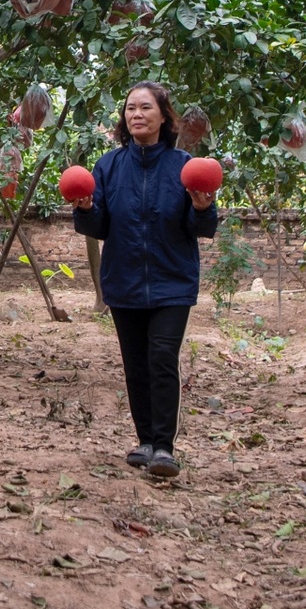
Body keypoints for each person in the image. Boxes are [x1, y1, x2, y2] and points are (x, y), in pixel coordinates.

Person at [71, 81, 217, 477]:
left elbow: (201, 228)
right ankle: (145, 441)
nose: (136, 114)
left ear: (163, 116)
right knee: (135, 364)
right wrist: (85, 207)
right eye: (130, 108)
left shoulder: (184, 166)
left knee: (161, 357)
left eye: (145, 107)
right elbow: (99, 226)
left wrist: (203, 207)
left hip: (173, 281)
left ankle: (165, 446)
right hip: (124, 280)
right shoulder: (109, 166)